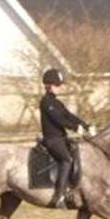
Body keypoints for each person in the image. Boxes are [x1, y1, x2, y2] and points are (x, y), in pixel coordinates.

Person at [39, 68, 90, 209]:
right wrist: (75, 128)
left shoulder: (57, 102)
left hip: (61, 138)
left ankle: (74, 188)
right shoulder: (46, 102)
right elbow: (59, 120)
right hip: (52, 140)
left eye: (60, 85)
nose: (60, 87)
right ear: (49, 85)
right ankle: (59, 195)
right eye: (57, 85)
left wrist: (84, 125)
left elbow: (68, 115)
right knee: (67, 160)